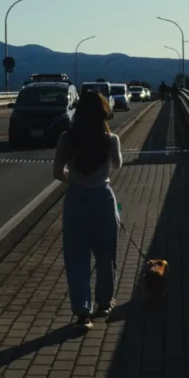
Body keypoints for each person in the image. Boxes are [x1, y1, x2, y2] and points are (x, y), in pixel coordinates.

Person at [53, 89, 123, 330]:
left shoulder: (66, 138)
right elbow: (117, 164)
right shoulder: (111, 139)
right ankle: (104, 303)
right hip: (103, 198)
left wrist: (73, 178)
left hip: (75, 199)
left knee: (77, 258)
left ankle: (83, 313)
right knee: (106, 255)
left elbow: (56, 172)